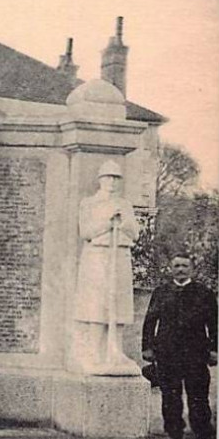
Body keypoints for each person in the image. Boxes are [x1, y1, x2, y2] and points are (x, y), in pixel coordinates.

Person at [141, 252, 218, 439]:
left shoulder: (204, 293)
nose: (181, 270)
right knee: (170, 395)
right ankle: (174, 435)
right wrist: (147, 347)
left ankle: (202, 436)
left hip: (196, 354)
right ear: (171, 269)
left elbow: (215, 324)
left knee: (198, 395)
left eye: (184, 266)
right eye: (177, 266)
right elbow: (150, 322)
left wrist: (215, 349)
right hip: (168, 353)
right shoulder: (161, 292)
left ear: (192, 268)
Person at [72, 160, 140, 374]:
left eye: (116, 177)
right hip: (98, 254)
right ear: (100, 179)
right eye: (108, 177)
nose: (112, 181)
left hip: (119, 253)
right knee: (97, 303)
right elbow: (86, 232)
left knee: (119, 304)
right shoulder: (89, 203)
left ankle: (115, 349)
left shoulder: (125, 204)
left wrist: (124, 221)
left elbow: (135, 233)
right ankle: (94, 351)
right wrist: (107, 220)